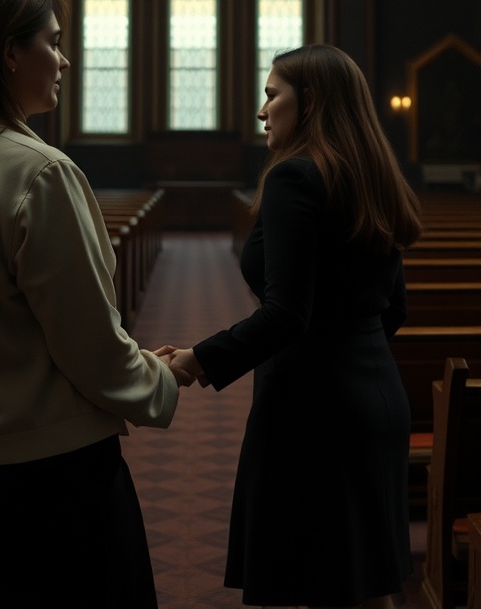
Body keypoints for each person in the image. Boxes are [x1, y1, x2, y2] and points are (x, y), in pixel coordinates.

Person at [0, 0, 192, 609]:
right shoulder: (40, 174)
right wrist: (158, 380)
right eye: (53, 42)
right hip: (47, 472)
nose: (64, 59)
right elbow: (87, 344)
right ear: (10, 53)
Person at [169, 43, 422, 609]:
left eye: (271, 95)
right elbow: (394, 309)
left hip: (314, 409)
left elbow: (287, 314)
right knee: (367, 582)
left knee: (324, 582)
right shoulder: (372, 176)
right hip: (377, 397)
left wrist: (197, 358)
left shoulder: (294, 179)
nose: (261, 112)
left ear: (308, 104)